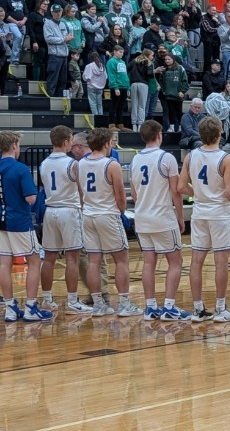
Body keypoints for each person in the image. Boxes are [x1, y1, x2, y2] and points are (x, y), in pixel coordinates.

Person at [76, 128, 142, 318]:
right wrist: (121, 212)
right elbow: (121, 196)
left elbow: (81, 194)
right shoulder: (111, 164)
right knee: (121, 260)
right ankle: (124, 303)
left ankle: (98, 305)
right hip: (108, 215)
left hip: (88, 215)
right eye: (112, 142)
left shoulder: (80, 164)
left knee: (93, 261)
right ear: (106, 144)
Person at [178, 117, 230, 323]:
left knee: (196, 261)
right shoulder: (225, 158)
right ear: (220, 133)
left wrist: (198, 193)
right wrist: (228, 194)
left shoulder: (191, 156)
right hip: (219, 213)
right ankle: (220, 308)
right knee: (221, 262)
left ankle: (197, 309)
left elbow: (180, 187)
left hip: (199, 211)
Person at [129, 120, 189, 322]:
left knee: (149, 263)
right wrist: (180, 217)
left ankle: (150, 307)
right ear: (159, 135)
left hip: (142, 218)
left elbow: (134, 194)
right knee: (175, 262)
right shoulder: (166, 158)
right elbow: (176, 191)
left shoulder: (135, 160)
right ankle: (170, 307)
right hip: (162, 217)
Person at [0, 132, 53, 323]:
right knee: (34, 261)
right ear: (14, 145)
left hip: (1, 220)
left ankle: (10, 308)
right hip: (19, 221)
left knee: (4, 263)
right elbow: (30, 198)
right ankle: (31, 307)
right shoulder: (20, 169)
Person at [39, 126, 91, 314]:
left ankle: (46, 299)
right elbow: (81, 190)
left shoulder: (44, 163)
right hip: (69, 210)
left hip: (50, 210)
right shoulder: (72, 164)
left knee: (49, 258)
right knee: (72, 258)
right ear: (67, 141)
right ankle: (71, 301)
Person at [105, 44, 130, 129]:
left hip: (124, 86)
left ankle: (120, 124)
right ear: (115, 52)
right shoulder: (111, 62)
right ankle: (111, 124)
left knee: (121, 107)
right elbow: (111, 75)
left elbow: (125, 75)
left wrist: (128, 87)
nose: (122, 54)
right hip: (117, 87)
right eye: (120, 52)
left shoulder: (122, 62)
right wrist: (115, 87)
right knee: (114, 106)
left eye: (122, 52)